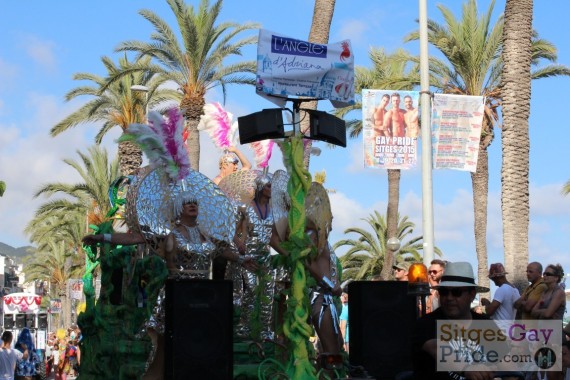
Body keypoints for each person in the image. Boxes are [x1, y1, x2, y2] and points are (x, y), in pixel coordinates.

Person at [412, 261, 501, 380]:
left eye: (456, 292)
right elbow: (436, 347)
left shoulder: (486, 323)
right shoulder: (426, 323)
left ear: (472, 294)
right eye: (444, 292)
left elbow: (504, 358)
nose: (449, 298)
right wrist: (466, 369)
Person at [480, 263, 520, 333]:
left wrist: (486, 303)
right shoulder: (515, 290)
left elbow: (489, 312)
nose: (493, 281)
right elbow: (504, 308)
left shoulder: (502, 289)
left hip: (501, 329)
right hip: (510, 329)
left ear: (496, 277)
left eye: (492, 278)